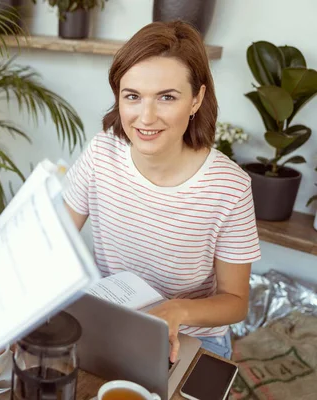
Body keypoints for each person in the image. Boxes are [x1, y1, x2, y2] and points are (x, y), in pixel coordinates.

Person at [63, 21, 261, 362]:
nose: (146, 117)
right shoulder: (101, 155)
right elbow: (54, 238)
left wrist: (177, 311)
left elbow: (235, 301)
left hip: (192, 341)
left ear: (196, 99)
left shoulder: (229, 187)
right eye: (133, 97)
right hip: (114, 326)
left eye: (167, 97)